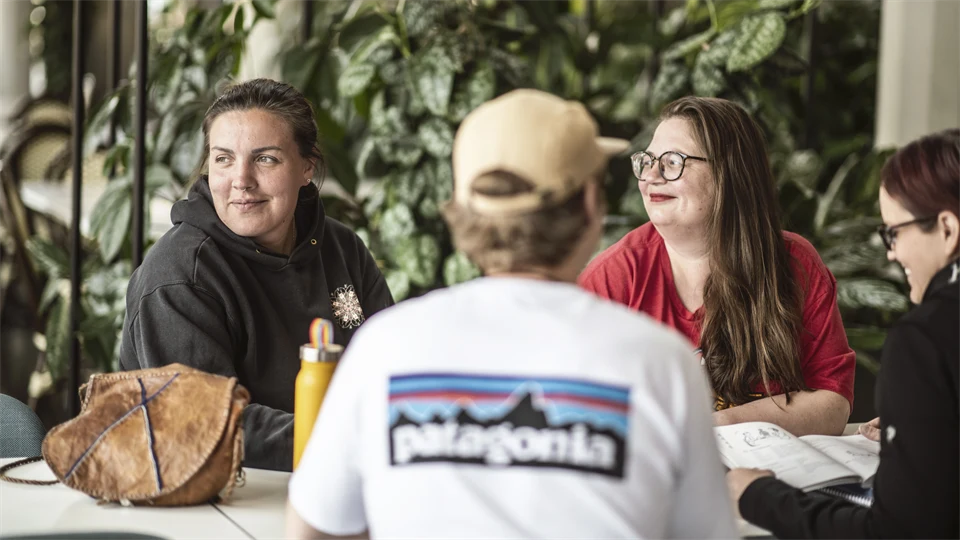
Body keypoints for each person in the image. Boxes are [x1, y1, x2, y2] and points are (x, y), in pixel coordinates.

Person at [286, 89, 739, 539]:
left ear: (461, 211)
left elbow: (313, 529)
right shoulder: (661, 362)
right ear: (589, 205)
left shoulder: (385, 347)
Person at [119, 79, 394, 472]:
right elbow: (204, 423)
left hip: (338, 477)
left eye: (265, 159)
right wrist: (349, 442)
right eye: (223, 158)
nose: (241, 180)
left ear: (306, 167)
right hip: (218, 497)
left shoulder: (342, 248)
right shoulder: (180, 277)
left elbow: (389, 370)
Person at [728, 129, 960, 540]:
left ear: (946, 229)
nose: (890, 253)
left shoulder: (925, 341)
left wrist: (759, 496)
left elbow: (896, 531)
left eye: (895, 232)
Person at [579, 96, 854, 436]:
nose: (650, 176)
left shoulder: (794, 263)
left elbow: (832, 402)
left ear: (730, 173)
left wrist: (718, 425)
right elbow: (583, 415)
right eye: (647, 160)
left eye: (672, 161)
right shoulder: (614, 278)